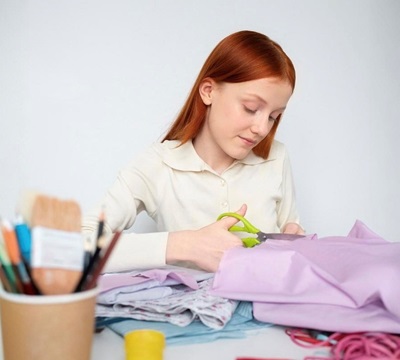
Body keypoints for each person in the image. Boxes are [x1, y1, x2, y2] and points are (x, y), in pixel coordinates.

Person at [82, 30, 304, 273]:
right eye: (251, 108)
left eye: (274, 116)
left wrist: (293, 240)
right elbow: (75, 249)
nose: (262, 128)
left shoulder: (276, 158)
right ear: (208, 91)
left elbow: (290, 235)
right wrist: (182, 245)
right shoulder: (159, 164)